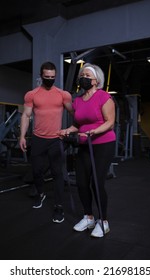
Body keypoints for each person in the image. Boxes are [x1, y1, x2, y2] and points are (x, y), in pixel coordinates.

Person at [60, 63, 116, 237]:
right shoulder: (77, 100)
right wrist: (68, 130)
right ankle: (89, 217)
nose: (83, 77)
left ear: (96, 80)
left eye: (87, 75)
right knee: (82, 183)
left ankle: (103, 221)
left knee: (96, 184)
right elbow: (78, 124)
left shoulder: (103, 96)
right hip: (84, 144)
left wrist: (94, 131)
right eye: (81, 75)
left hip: (103, 143)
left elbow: (110, 122)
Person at [19, 61, 73, 223]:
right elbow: (26, 116)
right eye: (47, 77)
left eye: (52, 77)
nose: (50, 79)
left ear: (55, 76)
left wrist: (72, 129)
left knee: (57, 174)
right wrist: (22, 136)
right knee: (37, 172)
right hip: (38, 139)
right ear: (41, 76)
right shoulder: (32, 94)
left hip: (56, 140)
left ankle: (58, 206)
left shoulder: (63, 95)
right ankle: (41, 194)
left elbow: (76, 113)